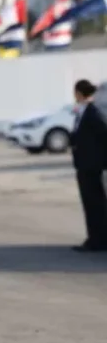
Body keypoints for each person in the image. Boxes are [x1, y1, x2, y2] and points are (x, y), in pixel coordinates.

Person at [70, 79, 107, 252]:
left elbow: (103, 134)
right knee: (90, 204)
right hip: (84, 165)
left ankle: (97, 241)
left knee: (94, 205)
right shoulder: (83, 111)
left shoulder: (93, 112)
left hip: (91, 166)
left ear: (79, 93)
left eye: (75, 92)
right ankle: (95, 238)